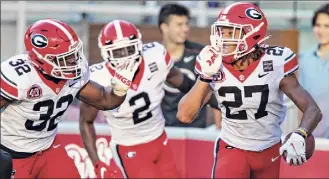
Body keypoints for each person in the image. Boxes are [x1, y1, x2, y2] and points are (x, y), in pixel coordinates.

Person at [177, 2, 322, 178]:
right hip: (232, 148)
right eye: (222, 32)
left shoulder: (275, 62)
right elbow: (184, 115)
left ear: (253, 35)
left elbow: (312, 109)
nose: (223, 39)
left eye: (231, 33)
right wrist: (205, 77)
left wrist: (301, 133)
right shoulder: (213, 63)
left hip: (269, 150)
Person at [0, 18, 139, 178]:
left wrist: (120, 88)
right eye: (65, 58)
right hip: (13, 154)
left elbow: (105, 100)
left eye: (74, 54)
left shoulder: (74, 75)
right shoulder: (21, 78)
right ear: (41, 59)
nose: (73, 61)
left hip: (48, 149)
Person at [79, 20, 195, 178]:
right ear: (106, 53)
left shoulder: (155, 56)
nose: (125, 57)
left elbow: (184, 83)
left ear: (139, 45)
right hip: (129, 147)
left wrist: (208, 91)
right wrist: (96, 162)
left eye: (129, 49)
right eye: (118, 52)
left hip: (160, 139)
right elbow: (86, 121)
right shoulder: (97, 78)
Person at [158, 3, 222, 128]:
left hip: (196, 129)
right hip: (163, 128)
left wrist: (218, 127)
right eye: (179, 24)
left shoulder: (202, 54)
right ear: (164, 27)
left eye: (187, 24)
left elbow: (216, 92)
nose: (185, 29)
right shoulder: (154, 56)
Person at [298, 3, 329, 138]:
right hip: (313, 131)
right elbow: (301, 98)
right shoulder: (304, 59)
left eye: (327, 26)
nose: (321, 30)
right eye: (318, 25)